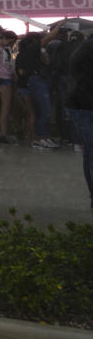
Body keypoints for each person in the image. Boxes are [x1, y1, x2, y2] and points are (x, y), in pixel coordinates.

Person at [65, 35, 93, 215]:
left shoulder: (84, 47)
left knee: (90, 152)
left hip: (80, 105)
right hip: (86, 105)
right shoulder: (88, 49)